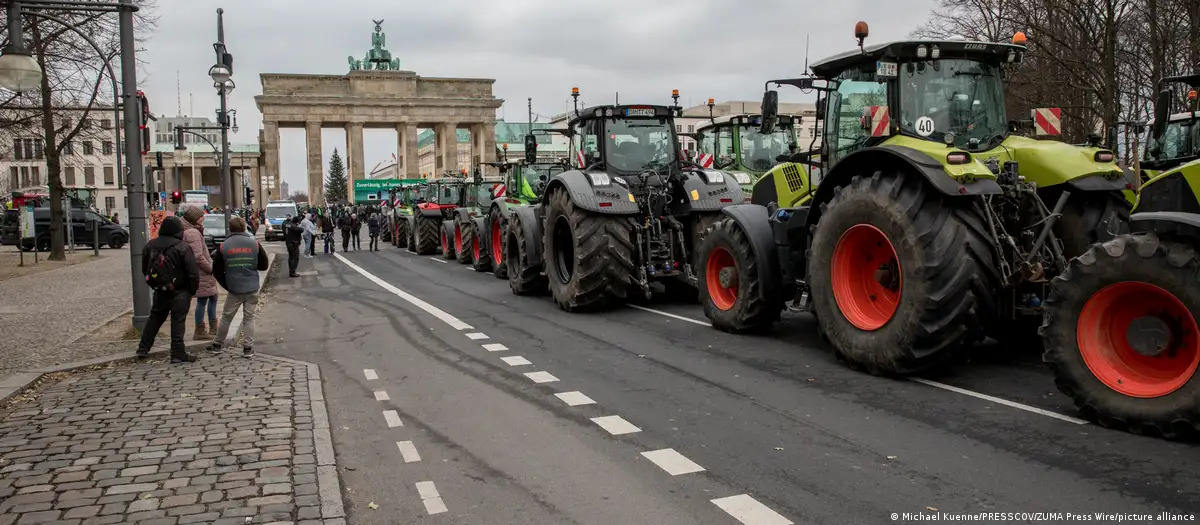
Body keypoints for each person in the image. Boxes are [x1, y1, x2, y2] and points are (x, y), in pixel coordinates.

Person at [136, 216, 200, 363]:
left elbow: (145, 269)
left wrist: (155, 284)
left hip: (160, 289)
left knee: (155, 318)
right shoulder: (182, 247)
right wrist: (192, 291)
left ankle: (143, 347)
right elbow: (192, 272)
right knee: (178, 321)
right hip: (180, 290)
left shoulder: (150, 246)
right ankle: (177, 353)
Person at [208, 216, 269, 358]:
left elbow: (216, 270)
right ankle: (248, 348)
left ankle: (217, 345)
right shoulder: (254, 244)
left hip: (234, 288)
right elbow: (263, 265)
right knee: (249, 318)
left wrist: (227, 284)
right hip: (252, 287)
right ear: (243, 227)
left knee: (226, 318)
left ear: (230, 228)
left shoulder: (224, 246)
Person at [181, 207, 218, 340]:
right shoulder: (192, 233)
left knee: (211, 298)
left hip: (200, 272)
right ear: (194, 218)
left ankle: (211, 328)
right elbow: (197, 256)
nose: (203, 218)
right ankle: (201, 330)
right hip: (202, 272)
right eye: (201, 216)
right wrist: (210, 268)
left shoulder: (190, 230)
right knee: (204, 300)